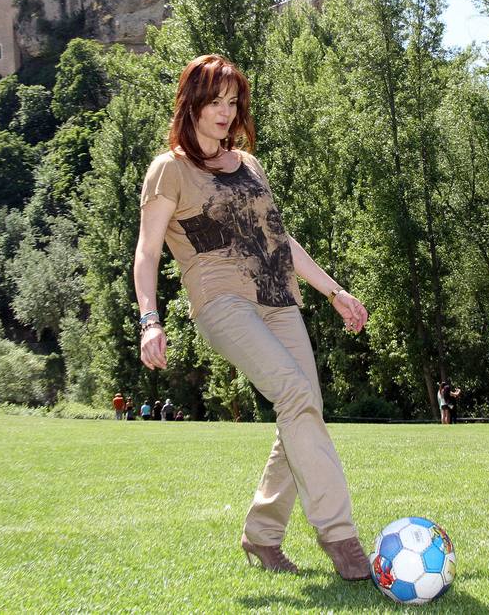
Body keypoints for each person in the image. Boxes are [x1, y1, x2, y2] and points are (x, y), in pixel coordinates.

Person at [133, 54, 373, 580]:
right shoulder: (169, 169)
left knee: (303, 407)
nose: (225, 112)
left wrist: (334, 292)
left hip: (279, 297)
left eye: (232, 102)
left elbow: (280, 240)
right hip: (223, 301)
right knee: (295, 395)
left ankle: (262, 537)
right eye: (214, 102)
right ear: (191, 103)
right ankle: (341, 536)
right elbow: (147, 252)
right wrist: (150, 320)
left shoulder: (249, 165)